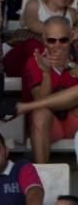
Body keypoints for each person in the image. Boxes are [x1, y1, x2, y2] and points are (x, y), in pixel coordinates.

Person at [21, 17, 78, 163]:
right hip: (51, 125)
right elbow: (41, 101)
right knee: (40, 113)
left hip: (74, 123)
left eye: (63, 40)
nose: (57, 45)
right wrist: (46, 73)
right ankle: (42, 175)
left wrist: (70, 65)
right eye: (51, 40)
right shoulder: (35, 61)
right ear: (44, 40)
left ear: (71, 37)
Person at [4, 0, 78, 77]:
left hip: (55, 62)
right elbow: (33, 24)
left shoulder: (72, 13)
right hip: (26, 57)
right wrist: (66, 33)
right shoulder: (34, 4)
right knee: (34, 45)